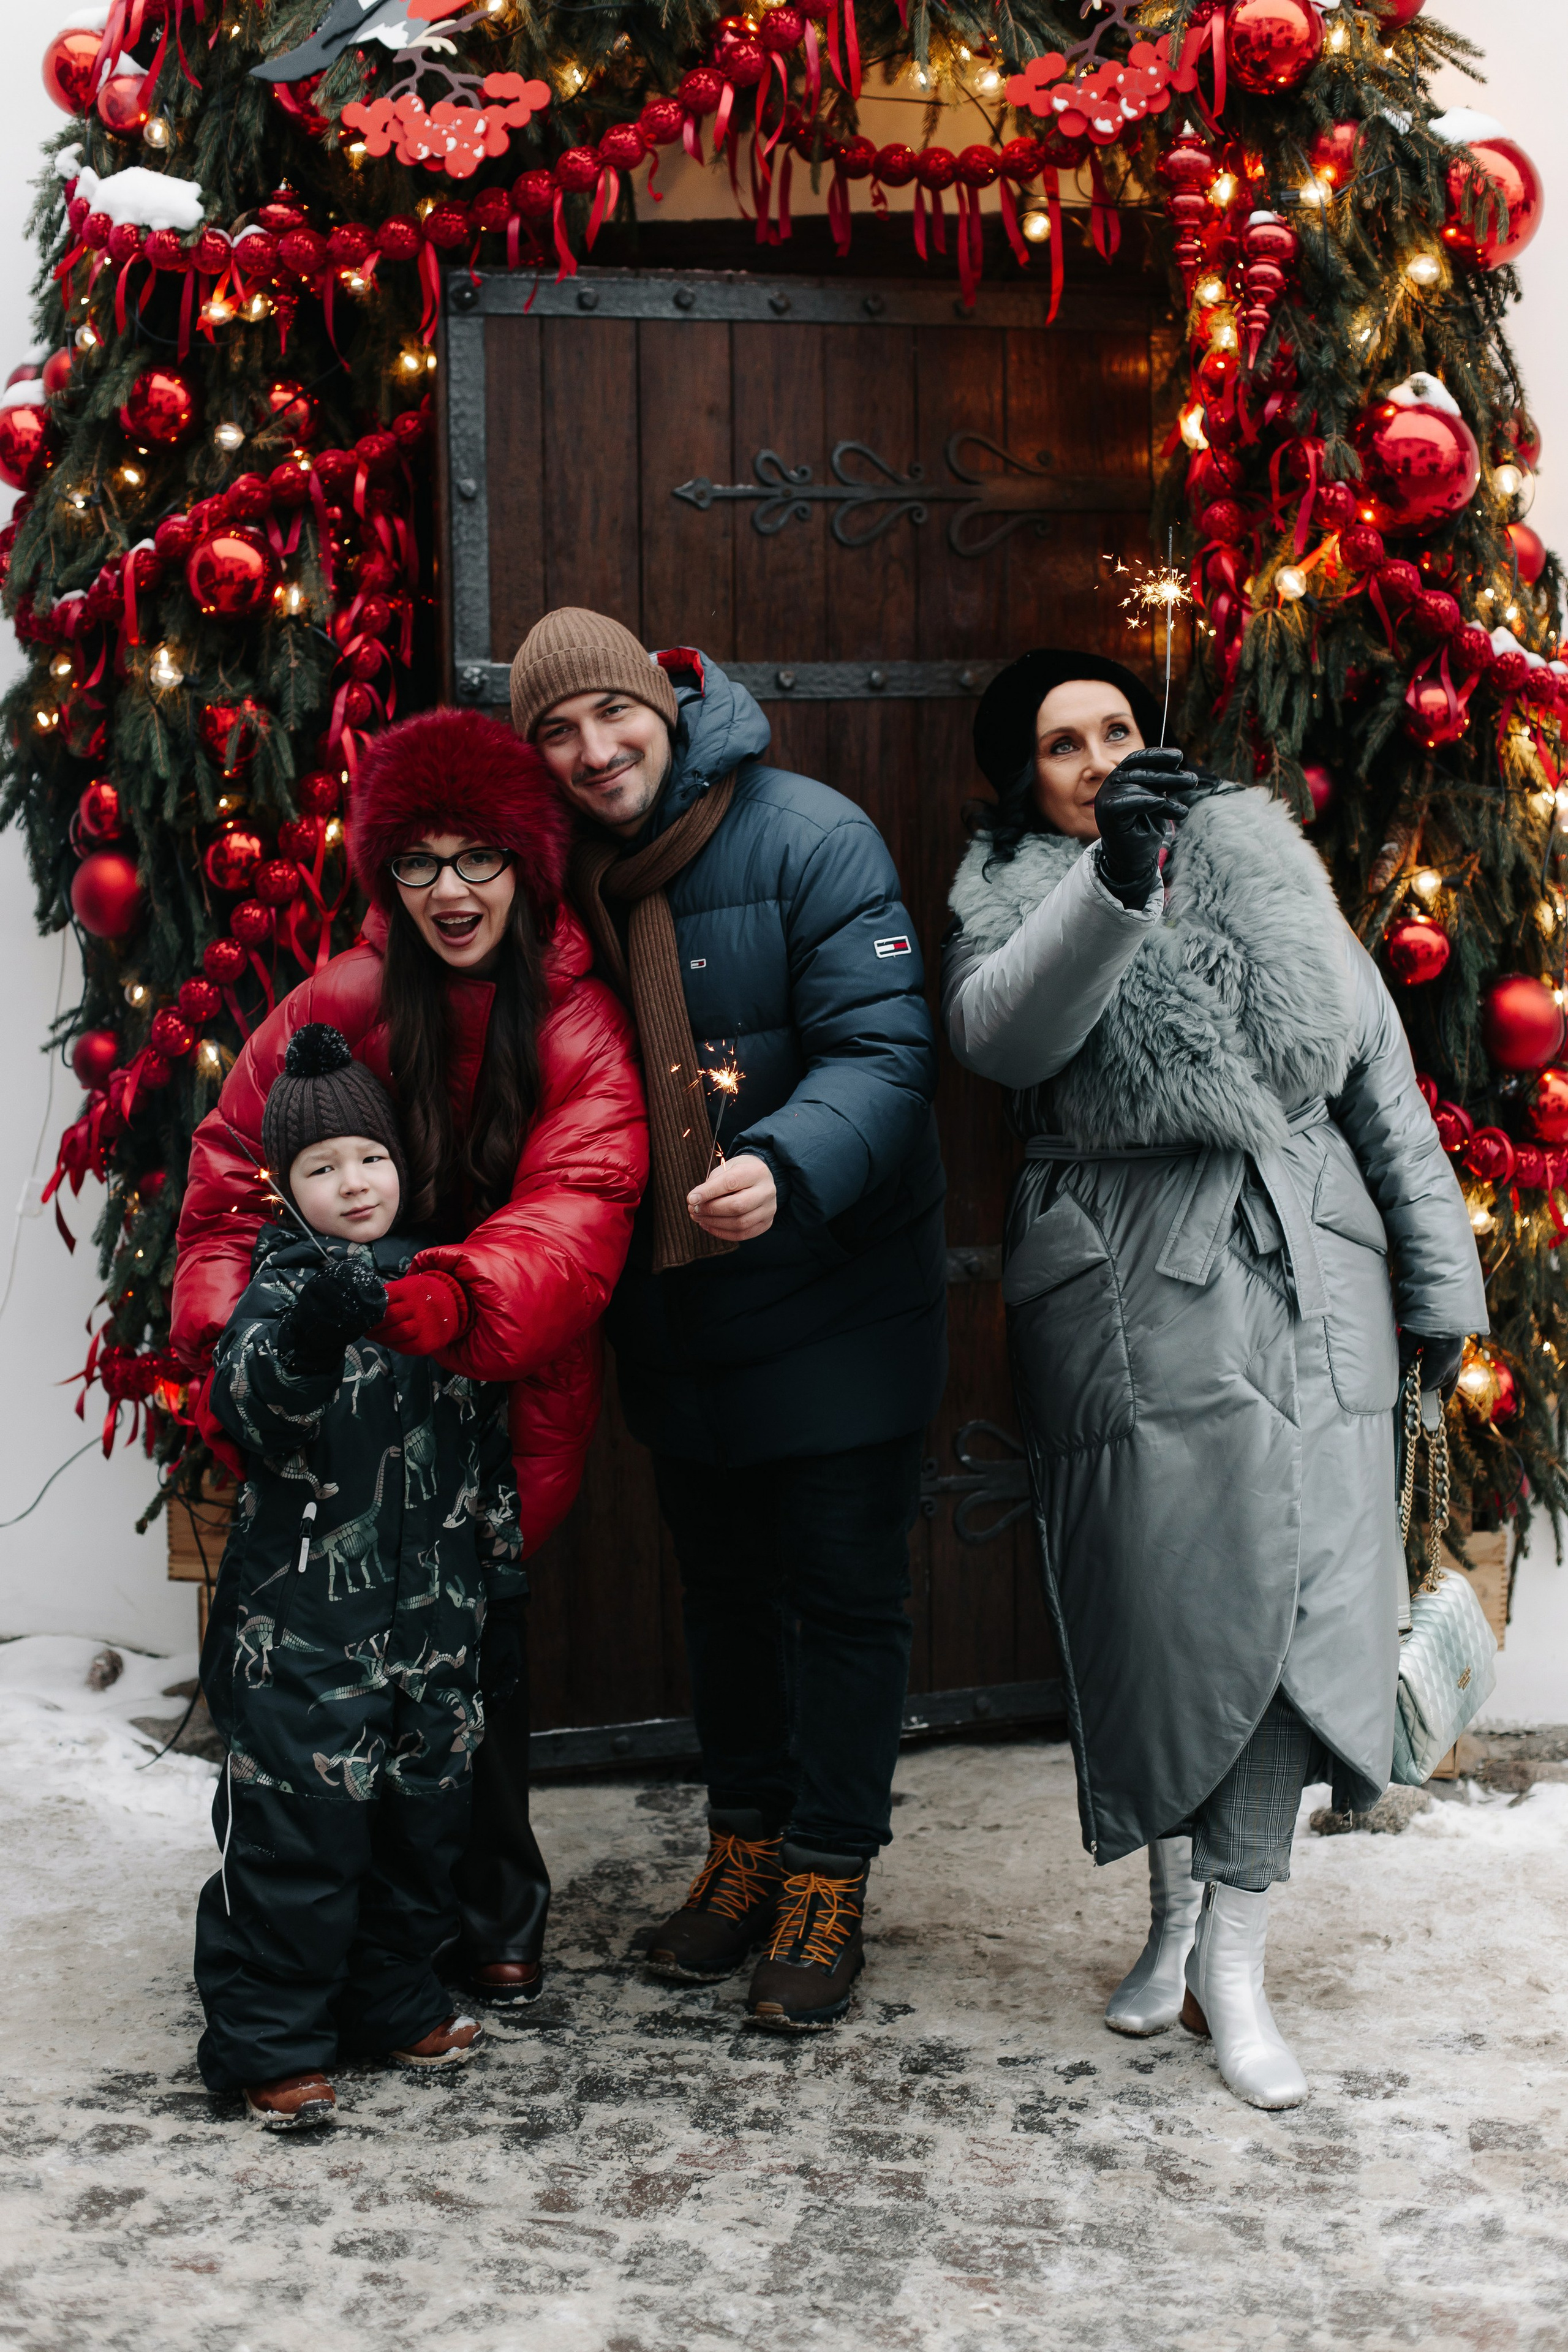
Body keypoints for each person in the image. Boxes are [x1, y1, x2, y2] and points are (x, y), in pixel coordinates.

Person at [940, 648, 1487, 2109]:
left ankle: (1230, 1958)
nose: (1099, 757)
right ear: (1022, 781)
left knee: (1295, 1630)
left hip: (1312, 1271)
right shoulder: (1004, 895)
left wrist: (1438, 1284)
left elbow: (1378, 1079)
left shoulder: (1261, 859)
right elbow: (1003, 1037)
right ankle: (1171, 1913)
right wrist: (1110, 886)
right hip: (1127, 1290)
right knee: (1163, 1621)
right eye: (1062, 746)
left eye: (1117, 729)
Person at [173, 709, 648, 2019]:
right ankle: (311, 1968)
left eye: (478, 858)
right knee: (325, 1706)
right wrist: (237, 1356)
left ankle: (487, 1912)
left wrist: (433, 1301)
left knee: (474, 1669)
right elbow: (226, 1184)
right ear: (384, 876)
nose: (451, 892)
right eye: (420, 863)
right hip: (336, 1406)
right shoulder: (337, 1004)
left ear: (527, 865)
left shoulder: (582, 1027)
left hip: (497, 1385)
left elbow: (580, 1207)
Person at [509, 608, 947, 2031]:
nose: (592, 750)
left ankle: (828, 1867)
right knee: (725, 1594)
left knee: (839, 1594)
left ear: (664, 706)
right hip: (675, 1306)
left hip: (829, 1286)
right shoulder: (555, 874)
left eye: (610, 717)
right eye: (557, 733)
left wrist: (791, 1162)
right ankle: (745, 1843)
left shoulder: (809, 835)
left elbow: (884, 1049)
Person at [194, 1023, 524, 2127]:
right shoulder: (276, 1298)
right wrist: (310, 1341)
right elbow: (251, 1406)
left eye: (369, 1159)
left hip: (431, 1628)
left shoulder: (437, 1285)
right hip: (301, 1641)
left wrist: (495, 1552)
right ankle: (269, 2039)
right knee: (300, 1836)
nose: (353, 1182)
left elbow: (483, 1436)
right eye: (322, 1168)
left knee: (421, 1824)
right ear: (287, 1189)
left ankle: (390, 1995)